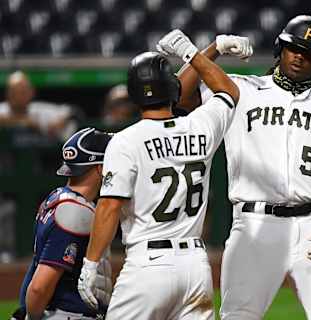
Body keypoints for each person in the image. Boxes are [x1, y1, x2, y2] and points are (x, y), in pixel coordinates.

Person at [167, 15, 311, 320]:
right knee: (238, 316)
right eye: (293, 48)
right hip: (254, 225)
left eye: (308, 53)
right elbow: (177, 93)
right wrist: (215, 48)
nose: (299, 57)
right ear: (279, 48)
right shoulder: (242, 89)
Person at [77, 30, 251, 320]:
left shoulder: (125, 141)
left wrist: (90, 264)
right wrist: (200, 51)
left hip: (147, 265)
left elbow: (108, 207)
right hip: (195, 266)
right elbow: (228, 91)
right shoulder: (200, 126)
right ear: (173, 90)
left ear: (133, 94)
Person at [11, 127, 113, 320]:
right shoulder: (74, 211)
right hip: (67, 314)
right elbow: (40, 286)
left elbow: (37, 267)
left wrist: (25, 310)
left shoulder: (57, 198)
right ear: (101, 168)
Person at [0, 71, 77, 141]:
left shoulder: (40, 109)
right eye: (15, 92)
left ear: (31, 93)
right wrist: (22, 122)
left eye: (23, 92)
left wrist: (59, 123)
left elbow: (73, 111)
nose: (19, 96)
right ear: (7, 94)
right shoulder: (2, 109)